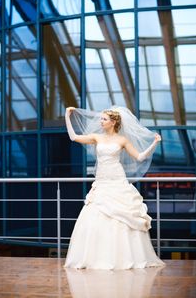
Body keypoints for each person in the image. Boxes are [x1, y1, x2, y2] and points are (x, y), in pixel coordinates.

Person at [64, 106, 165, 270]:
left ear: (113, 122)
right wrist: (67, 116)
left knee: (122, 215)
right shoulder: (97, 137)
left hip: (117, 179)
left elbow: (139, 156)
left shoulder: (122, 140)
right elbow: (73, 137)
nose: (100, 121)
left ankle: (123, 257)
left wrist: (154, 143)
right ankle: (96, 257)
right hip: (102, 181)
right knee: (95, 213)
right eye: (101, 118)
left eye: (104, 119)